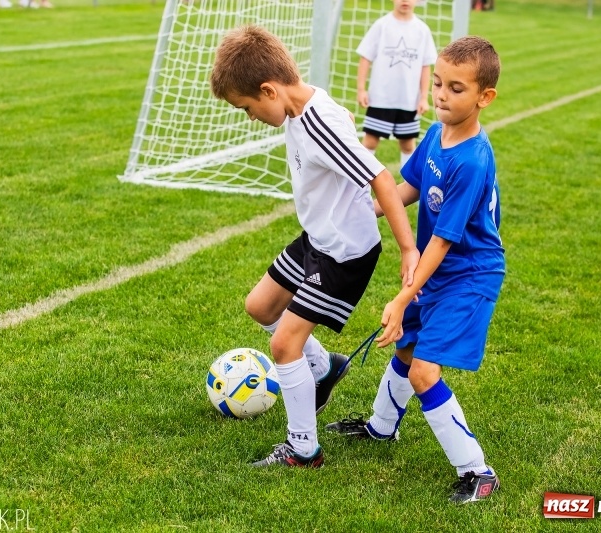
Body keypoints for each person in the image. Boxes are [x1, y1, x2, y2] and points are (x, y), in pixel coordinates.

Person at [209, 25, 419, 468]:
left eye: (247, 108)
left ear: (269, 90)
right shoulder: (300, 105)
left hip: (344, 252)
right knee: (260, 306)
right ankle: (324, 368)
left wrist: (407, 249)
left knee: (285, 345)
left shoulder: (318, 123)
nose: (250, 117)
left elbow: (381, 179)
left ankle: (303, 448)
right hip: (318, 237)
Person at [327, 36, 505, 503]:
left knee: (424, 370)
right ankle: (381, 427)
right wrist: (367, 211)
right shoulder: (435, 133)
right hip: (438, 267)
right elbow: (410, 186)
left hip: (469, 275)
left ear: (485, 97)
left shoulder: (471, 160)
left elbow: (443, 240)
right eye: (439, 83)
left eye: (456, 88)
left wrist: (403, 295)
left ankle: (478, 472)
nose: (442, 95)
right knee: (406, 346)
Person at [356, 0, 437, 168]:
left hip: (408, 100)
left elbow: (425, 66)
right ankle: (359, 180)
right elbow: (365, 57)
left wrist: (423, 97)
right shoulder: (382, 25)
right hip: (381, 98)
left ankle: (408, 182)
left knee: (407, 144)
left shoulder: (422, 30)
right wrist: (361, 89)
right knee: (370, 141)